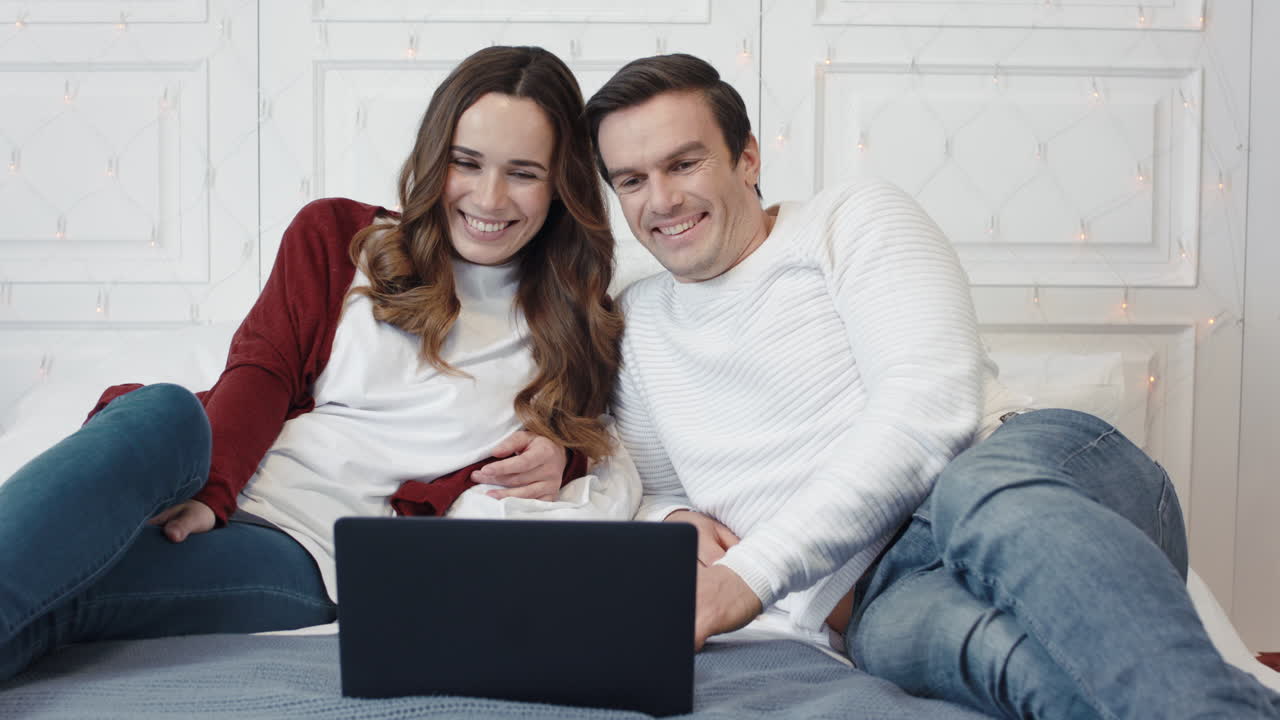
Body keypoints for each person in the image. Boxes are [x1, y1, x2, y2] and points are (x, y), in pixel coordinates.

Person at [585, 53, 1280, 719]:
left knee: (981, 499)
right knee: (1005, 666)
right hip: (879, 600)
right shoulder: (640, 320)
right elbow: (658, 487)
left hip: (1016, 474)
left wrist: (748, 576)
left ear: (748, 158)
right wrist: (669, 522)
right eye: (632, 180)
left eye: (684, 163)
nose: (662, 199)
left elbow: (929, 413)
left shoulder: (848, 221)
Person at [0, 45, 625, 682]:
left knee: (53, 599)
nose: (489, 198)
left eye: (523, 172)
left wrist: (564, 456)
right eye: (467, 163)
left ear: (560, 185)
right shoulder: (339, 237)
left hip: (302, 551)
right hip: (205, 478)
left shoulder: (576, 323)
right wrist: (213, 493)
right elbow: (262, 370)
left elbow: (603, 454)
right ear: (437, 157)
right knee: (161, 408)